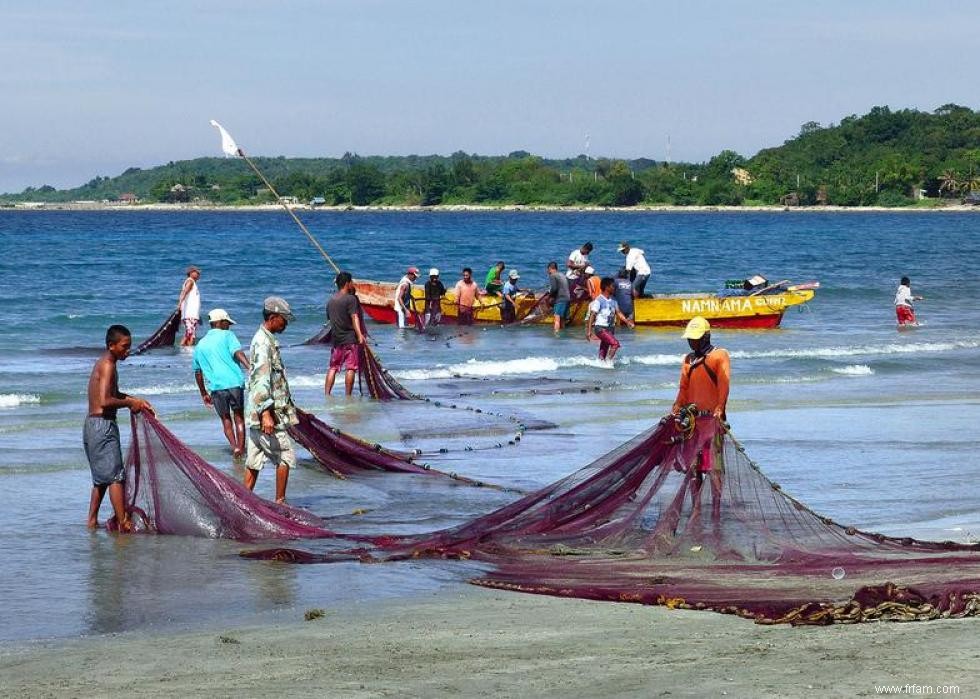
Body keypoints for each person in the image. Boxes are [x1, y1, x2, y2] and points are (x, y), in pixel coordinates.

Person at [85, 325, 154, 531]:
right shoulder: (108, 365)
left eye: (129, 346)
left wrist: (136, 400)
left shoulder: (106, 363)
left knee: (102, 478)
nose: (128, 351)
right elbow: (106, 400)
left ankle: (91, 521)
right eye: (124, 347)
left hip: (93, 425)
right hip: (102, 426)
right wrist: (129, 404)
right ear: (111, 346)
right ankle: (123, 522)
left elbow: (112, 395)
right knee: (115, 475)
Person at [244, 296, 298, 503]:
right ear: (273, 317)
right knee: (285, 456)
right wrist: (266, 413)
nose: (285, 324)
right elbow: (260, 379)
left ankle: (244, 502)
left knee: (254, 460)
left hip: (257, 413)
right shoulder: (263, 342)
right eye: (284, 319)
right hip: (267, 416)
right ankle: (280, 502)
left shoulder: (265, 339)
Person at [192, 309, 250, 460]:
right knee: (239, 417)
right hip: (234, 384)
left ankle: (234, 447)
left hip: (216, 388)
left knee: (225, 419)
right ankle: (241, 449)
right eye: (227, 322)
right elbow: (238, 352)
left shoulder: (200, 345)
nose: (229, 326)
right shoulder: (228, 335)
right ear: (219, 322)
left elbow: (198, 372)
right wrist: (250, 366)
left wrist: (203, 393)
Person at [672, 316, 730, 421]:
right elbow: (683, 389)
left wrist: (720, 407)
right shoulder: (688, 359)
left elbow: (723, 385)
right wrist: (677, 407)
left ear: (706, 337)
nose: (691, 342)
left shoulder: (719, 355)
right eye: (690, 339)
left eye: (695, 339)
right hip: (691, 418)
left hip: (712, 418)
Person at [326, 272, 367, 396]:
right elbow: (354, 317)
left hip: (336, 339)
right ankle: (348, 395)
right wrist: (360, 335)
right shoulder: (351, 299)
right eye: (351, 282)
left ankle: (327, 394)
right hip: (350, 339)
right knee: (351, 368)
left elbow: (329, 319)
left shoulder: (331, 300)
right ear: (347, 283)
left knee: (333, 367)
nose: (353, 284)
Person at [586, 277, 635, 361]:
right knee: (615, 344)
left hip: (610, 329)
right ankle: (608, 363)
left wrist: (627, 322)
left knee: (604, 348)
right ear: (606, 287)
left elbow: (618, 312)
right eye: (613, 286)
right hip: (600, 328)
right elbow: (592, 315)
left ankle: (601, 363)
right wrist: (589, 331)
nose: (614, 288)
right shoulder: (599, 300)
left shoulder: (614, 300)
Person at [177, 266, 201, 346]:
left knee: (190, 334)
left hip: (192, 314)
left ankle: (186, 351)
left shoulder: (192, 283)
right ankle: (187, 351)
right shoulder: (190, 281)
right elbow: (184, 292)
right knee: (190, 334)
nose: (198, 274)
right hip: (189, 314)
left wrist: (198, 315)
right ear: (191, 273)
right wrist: (179, 304)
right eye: (196, 272)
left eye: (199, 273)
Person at [547, 261, 571, 332]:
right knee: (562, 319)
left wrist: (550, 295)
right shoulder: (562, 275)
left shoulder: (553, 275)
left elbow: (554, 288)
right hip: (567, 298)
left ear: (550, 268)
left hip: (561, 299)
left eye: (548, 270)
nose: (548, 271)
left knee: (557, 318)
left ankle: (556, 335)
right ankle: (562, 339)